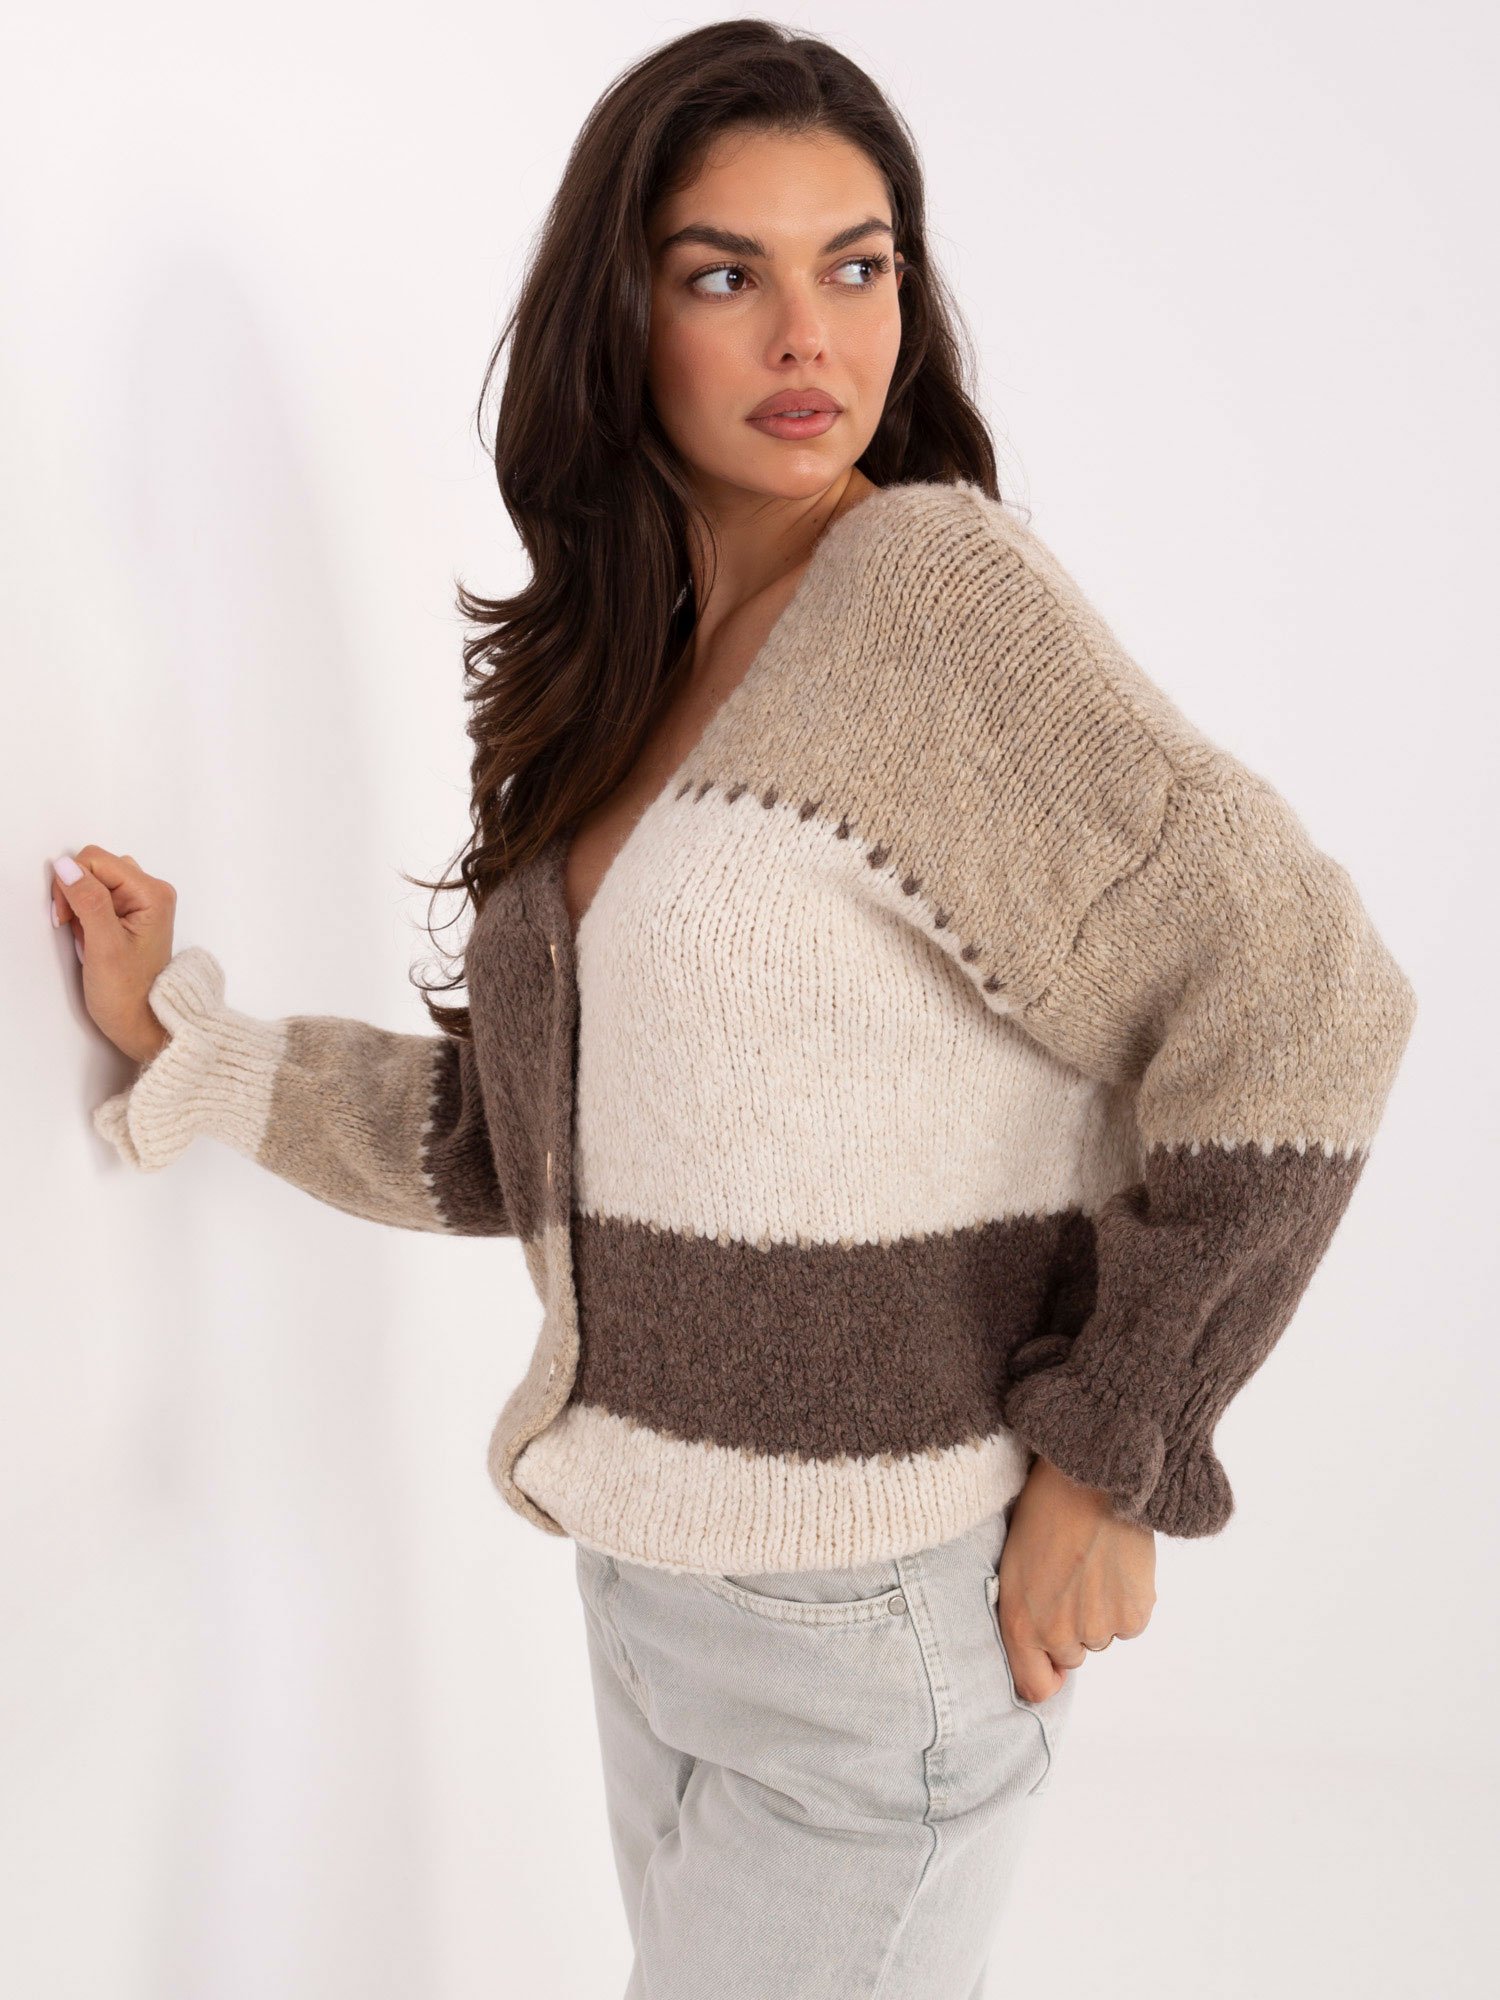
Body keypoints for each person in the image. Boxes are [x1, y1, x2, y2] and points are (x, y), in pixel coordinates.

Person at [52, 21, 1417, 1998]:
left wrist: (1116, 1454)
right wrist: (200, 1047)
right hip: (651, 1607)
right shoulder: (628, 671)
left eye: (857, 266)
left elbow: (1305, 997)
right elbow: (522, 1146)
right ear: (620, 315)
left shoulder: (935, 602)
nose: (808, 335)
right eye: (725, 273)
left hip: (877, 1635)